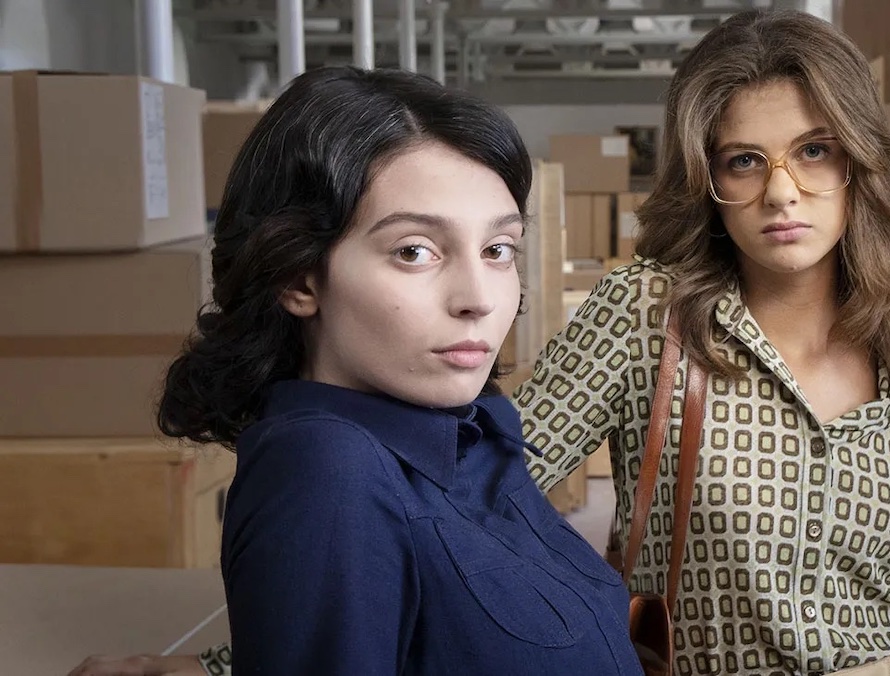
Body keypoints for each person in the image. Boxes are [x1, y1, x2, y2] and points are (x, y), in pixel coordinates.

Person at [69, 8, 890, 676]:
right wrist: (254, 657)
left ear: (860, 163)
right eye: (745, 161)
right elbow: (466, 508)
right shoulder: (647, 317)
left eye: (815, 152)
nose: (783, 191)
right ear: (708, 180)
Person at [68, 65, 646, 676]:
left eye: (496, 249)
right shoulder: (327, 472)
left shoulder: (477, 429)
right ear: (298, 276)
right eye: (415, 251)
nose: (478, 297)